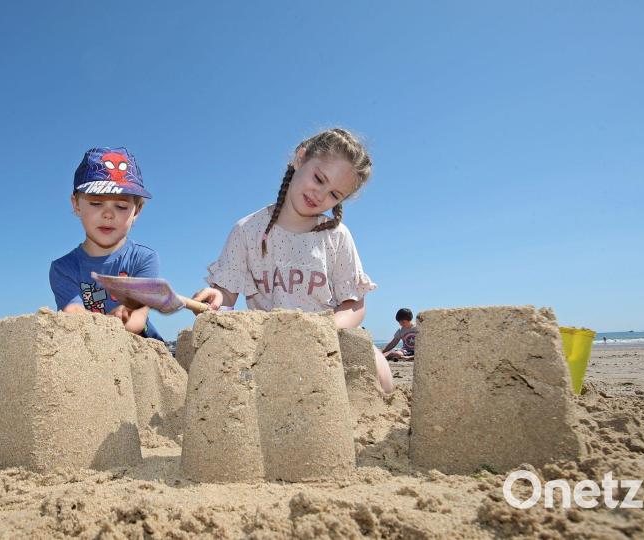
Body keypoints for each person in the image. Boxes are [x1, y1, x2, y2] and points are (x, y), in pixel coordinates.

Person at [192, 128, 394, 393]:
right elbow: (225, 295)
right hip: (266, 341)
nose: (320, 195)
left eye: (334, 195)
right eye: (319, 178)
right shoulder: (247, 230)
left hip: (326, 339)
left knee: (380, 370)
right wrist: (214, 299)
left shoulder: (336, 236)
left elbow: (354, 305)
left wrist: (322, 330)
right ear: (300, 159)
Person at [49, 147, 163, 340]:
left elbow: (137, 318)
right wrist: (109, 322)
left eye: (121, 206)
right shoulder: (64, 268)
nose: (108, 214)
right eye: (96, 203)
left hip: (139, 352)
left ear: (136, 211)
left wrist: (126, 315)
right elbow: (73, 315)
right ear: (76, 204)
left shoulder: (144, 259)